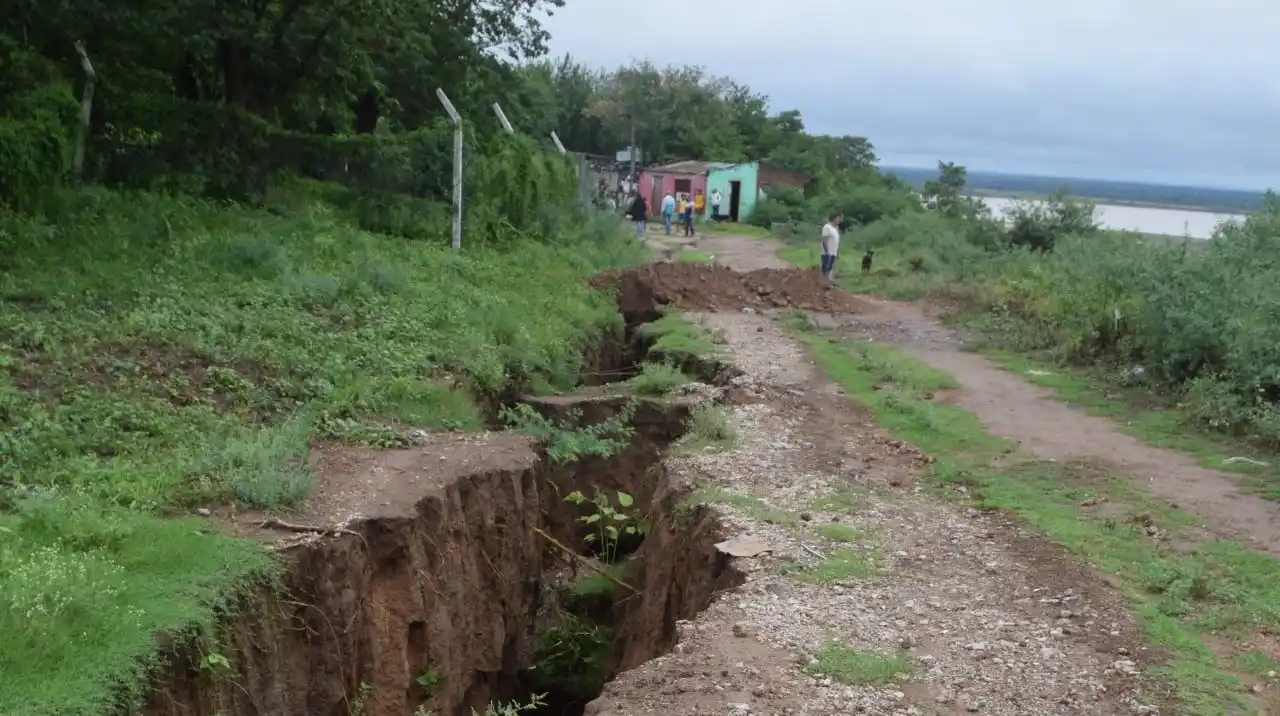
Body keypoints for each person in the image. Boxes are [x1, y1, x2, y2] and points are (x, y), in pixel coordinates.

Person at [820, 212, 842, 283]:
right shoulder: (827, 227)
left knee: (830, 268)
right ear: (834, 218)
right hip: (827, 252)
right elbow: (824, 240)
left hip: (833, 252)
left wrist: (837, 252)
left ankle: (828, 282)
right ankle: (824, 282)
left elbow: (836, 242)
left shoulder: (836, 228)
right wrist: (827, 251)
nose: (840, 220)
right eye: (839, 218)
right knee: (825, 268)